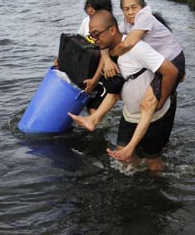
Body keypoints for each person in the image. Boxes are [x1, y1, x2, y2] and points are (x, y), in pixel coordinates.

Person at [69, 10, 178, 173]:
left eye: (97, 35)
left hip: (155, 116)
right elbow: (116, 91)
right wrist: (95, 116)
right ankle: (93, 120)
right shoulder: (109, 51)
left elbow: (171, 71)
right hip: (130, 114)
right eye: (92, 36)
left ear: (112, 30)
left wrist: (161, 100)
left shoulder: (138, 49)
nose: (94, 40)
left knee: (153, 163)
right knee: (124, 161)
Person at [103, 0, 185, 110]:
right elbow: (110, 38)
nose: (130, 12)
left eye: (134, 7)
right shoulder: (127, 21)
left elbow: (128, 43)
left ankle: (162, 103)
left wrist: (111, 54)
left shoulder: (144, 16)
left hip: (173, 59)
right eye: (126, 9)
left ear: (142, 7)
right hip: (159, 61)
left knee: (155, 103)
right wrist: (106, 59)